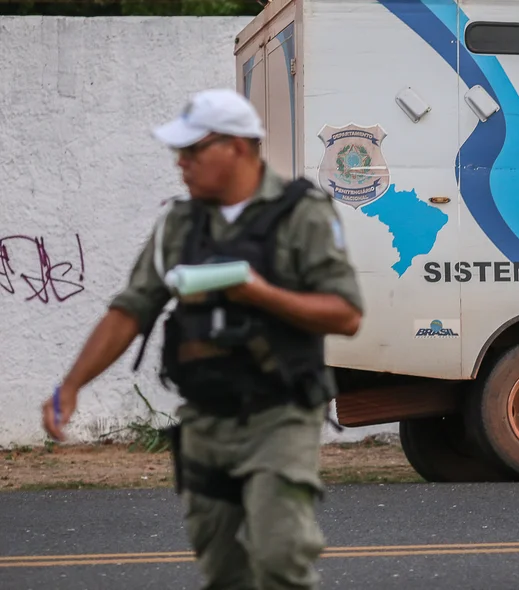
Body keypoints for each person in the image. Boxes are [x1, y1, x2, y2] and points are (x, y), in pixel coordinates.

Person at [41, 88, 365, 589]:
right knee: (223, 571)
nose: (181, 164)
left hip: (279, 415)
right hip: (205, 422)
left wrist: (258, 293)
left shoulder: (303, 214)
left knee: (281, 556)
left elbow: (345, 314)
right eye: (179, 153)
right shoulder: (178, 222)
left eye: (192, 151)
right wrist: (71, 386)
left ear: (236, 146)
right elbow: (131, 309)